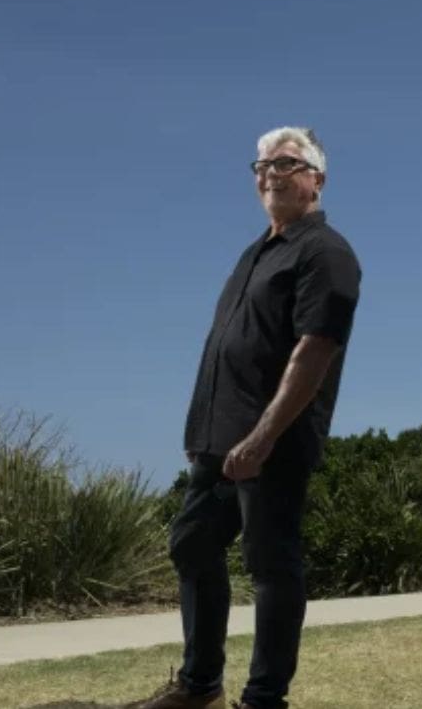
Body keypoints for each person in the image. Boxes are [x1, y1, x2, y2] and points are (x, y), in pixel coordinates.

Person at [130, 127, 361, 709]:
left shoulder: (325, 252)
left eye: (286, 163)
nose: (269, 174)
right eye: (260, 165)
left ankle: (264, 699)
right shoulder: (255, 252)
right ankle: (200, 685)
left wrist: (262, 436)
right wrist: (202, 431)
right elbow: (229, 345)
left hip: (273, 441)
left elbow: (314, 351)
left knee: (270, 566)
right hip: (218, 440)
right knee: (192, 546)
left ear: (317, 179)